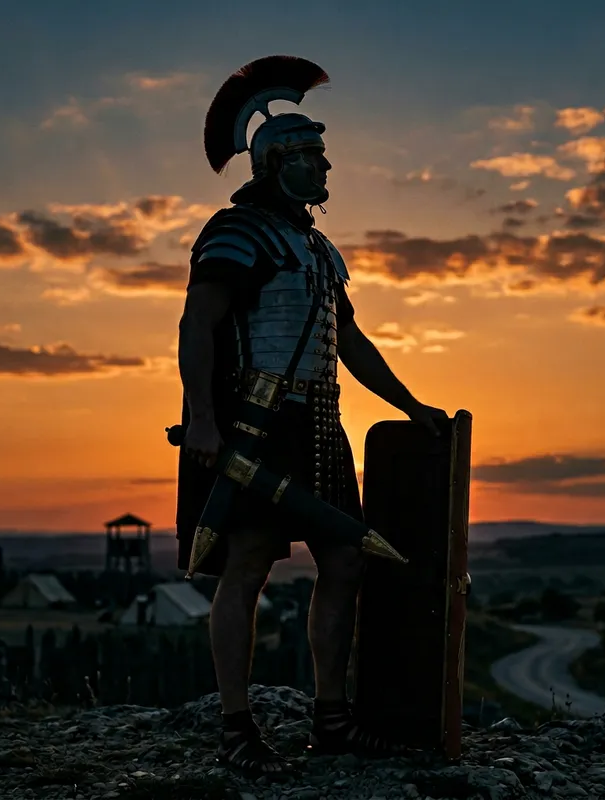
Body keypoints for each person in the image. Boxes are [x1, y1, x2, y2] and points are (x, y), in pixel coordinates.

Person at [176, 56, 448, 773]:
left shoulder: (321, 251)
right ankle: (238, 729)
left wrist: (410, 405)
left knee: (346, 559)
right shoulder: (236, 232)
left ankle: (332, 720)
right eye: (313, 157)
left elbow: (349, 340)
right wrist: (203, 419)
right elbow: (197, 324)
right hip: (256, 424)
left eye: (324, 156)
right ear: (276, 164)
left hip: (323, 428)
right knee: (248, 567)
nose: (326, 170)